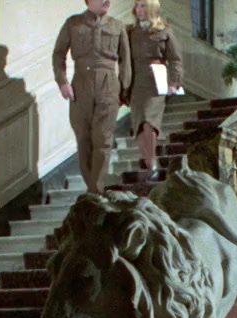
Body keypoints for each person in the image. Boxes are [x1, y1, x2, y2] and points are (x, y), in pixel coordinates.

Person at [53, 0, 132, 194]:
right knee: (83, 139)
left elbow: (125, 61)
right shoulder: (73, 23)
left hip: (108, 86)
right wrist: (62, 82)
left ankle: (96, 191)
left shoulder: (117, 26)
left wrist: (124, 90)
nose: (107, 1)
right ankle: (93, 188)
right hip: (81, 86)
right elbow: (58, 55)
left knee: (103, 140)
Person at [126, 0, 182, 182]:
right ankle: (149, 162)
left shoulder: (164, 31)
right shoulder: (130, 32)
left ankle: (152, 166)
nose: (139, 9)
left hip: (156, 80)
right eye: (137, 6)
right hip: (136, 81)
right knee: (139, 125)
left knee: (149, 122)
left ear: (151, 8)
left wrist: (173, 82)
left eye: (143, 5)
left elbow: (175, 59)